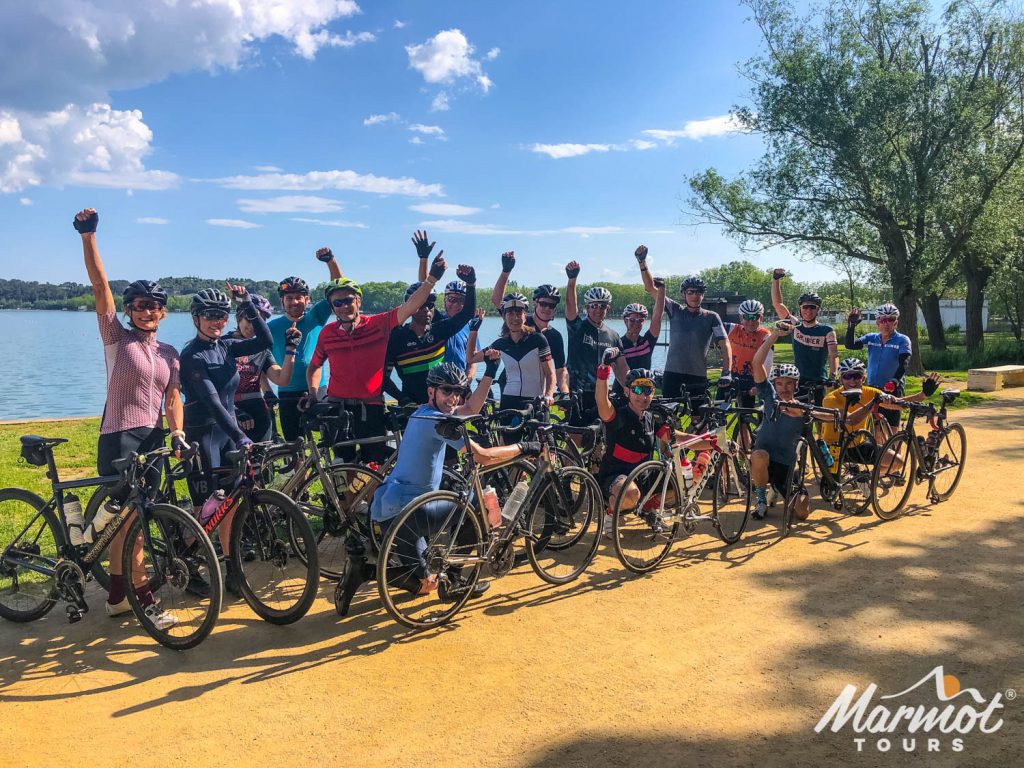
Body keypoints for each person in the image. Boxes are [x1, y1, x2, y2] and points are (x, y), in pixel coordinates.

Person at [75, 208, 183, 629]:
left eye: (154, 306)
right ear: (129, 309)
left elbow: (173, 396)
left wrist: (177, 432)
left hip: (153, 438)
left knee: (138, 521)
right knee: (127, 520)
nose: (146, 311)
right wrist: (89, 236)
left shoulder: (169, 353)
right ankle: (142, 599)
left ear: (162, 312)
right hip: (119, 436)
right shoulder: (116, 338)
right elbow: (100, 285)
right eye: (139, 305)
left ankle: (119, 597)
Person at [371, 363, 542, 598]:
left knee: (428, 583)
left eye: (458, 392)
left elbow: (471, 407)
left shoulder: (421, 412)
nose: (454, 398)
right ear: (432, 391)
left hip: (389, 512)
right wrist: (522, 447)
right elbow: (483, 456)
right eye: (447, 391)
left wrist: (490, 372)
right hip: (410, 513)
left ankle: (363, 570)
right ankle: (454, 582)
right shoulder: (440, 423)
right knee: (475, 503)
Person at [305, 254, 456, 461]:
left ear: (358, 301)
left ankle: (372, 494)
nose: (344, 306)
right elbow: (314, 367)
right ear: (332, 308)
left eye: (349, 300)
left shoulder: (379, 324)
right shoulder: (327, 333)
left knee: (374, 465)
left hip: (372, 407)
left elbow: (411, 306)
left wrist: (432, 279)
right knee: (342, 465)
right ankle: (347, 495)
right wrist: (313, 393)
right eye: (337, 303)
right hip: (337, 408)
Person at [180, 285, 273, 591]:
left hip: (228, 433)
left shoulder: (227, 346)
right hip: (203, 434)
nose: (216, 321)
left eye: (221, 315)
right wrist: (240, 436)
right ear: (196, 318)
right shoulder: (191, 354)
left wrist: (247, 305)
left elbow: (265, 340)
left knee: (229, 504)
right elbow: (213, 402)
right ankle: (188, 566)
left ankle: (233, 570)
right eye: (209, 315)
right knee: (204, 509)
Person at [595, 353, 714, 536]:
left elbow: (682, 439)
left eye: (648, 389)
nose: (642, 396)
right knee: (630, 494)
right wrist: (604, 371)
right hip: (616, 474)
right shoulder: (617, 415)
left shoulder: (653, 419)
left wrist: (712, 443)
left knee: (682, 485)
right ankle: (611, 514)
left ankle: (649, 508)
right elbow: (602, 401)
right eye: (637, 390)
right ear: (627, 392)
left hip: (645, 476)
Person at [635, 246, 731, 401]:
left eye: (698, 292)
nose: (694, 296)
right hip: (673, 374)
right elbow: (650, 288)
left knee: (699, 420)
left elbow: (724, 344)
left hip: (697, 376)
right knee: (667, 419)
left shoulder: (711, 317)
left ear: (703, 295)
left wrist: (727, 371)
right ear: (683, 295)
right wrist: (642, 262)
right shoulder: (675, 310)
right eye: (690, 292)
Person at [820, 358, 938, 483]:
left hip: (857, 446)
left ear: (863, 378)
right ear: (841, 379)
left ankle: (866, 477)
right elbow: (850, 420)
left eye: (857, 375)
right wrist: (873, 402)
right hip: (833, 448)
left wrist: (922, 395)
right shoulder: (830, 399)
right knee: (831, 489)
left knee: (897, 462)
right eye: (847, 376)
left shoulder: (870, 392)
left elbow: (897, 403)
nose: (852, 380)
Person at [268, 247, 344, 440]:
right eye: (289, 298)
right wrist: (266, 391)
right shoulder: (271, 327)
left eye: (299, 297)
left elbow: (339, 289)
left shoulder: (316, 317)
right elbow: (260, 363)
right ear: (282, 301)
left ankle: (334, 471)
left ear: (307, 299)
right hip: (287, 392)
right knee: (296, 447)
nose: (294, 302)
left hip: (319, 390)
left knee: (331, 443)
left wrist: (331, 261)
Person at [748, 326, 816, 521]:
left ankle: (777, 489)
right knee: (758, 455)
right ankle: (761, 499)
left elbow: (820, 415)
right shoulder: (769, 397)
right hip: (765, 458)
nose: (784, 388)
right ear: (774, 385)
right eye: (779, 383)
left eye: (789, 384)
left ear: (796, 385)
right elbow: (757, 362)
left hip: (786, 467)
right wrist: (775, 336)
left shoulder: (803, 407)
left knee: (802, 513)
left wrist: (801, 413)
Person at [384, 264, 477, 405]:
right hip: (412, 408)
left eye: (431, 305)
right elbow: (382, 377)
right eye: (421, 305)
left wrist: (471, 284)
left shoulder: (439, 331)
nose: (427, 309)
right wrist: (402, 398)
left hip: (441, 406)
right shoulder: (397, 337)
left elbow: (467, 313)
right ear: (410, 306)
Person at [489, 250, 569, 393]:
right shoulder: (520, 322)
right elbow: (497, 301)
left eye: (551, 305)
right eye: (543, 304)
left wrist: (564, 392)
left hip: (536, 391)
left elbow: (560, 370)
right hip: (510, 386)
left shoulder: (555, 336)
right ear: (534, 304)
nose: (546, 308)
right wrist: (506, 271)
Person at [228, 293, 301, 443]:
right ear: (238, 317)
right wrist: (234, 411)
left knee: (262, 463)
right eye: (249, 318)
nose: (252, 326)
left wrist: (291, 349)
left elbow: (282, 379)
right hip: (230, 413)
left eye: (259, 321)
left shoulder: (262, 350)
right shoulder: (222, 345)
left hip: (258, 413)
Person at [564, 260, 629, 424]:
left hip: (601, 393)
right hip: (577, 393)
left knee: (598, 439)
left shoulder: (613, 336)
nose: (598, 310)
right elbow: (571, 306)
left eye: (602, 306)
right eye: (594, 306)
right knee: (576, 438)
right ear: (587, 307)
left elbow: (621, 368)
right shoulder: (577, 327)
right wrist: (572, 280)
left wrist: (631, 388)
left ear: (608, 309)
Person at [469, 292, 555, 410]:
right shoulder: (501, 344)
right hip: (508, 401)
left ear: (525, 315)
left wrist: (549, 395)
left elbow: (550, 374)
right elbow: (471, 358)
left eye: (519, 313)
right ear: (504, 316)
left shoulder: (538, 340)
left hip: (534, 402)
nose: (515, 318)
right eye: (510, 313)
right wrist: (474, 330)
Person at [415, 230, 481, 378]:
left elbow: (473, 359)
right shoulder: (436, 320)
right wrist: (424, 260)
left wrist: (468, 379)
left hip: (460, 384)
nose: (457, 305)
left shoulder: (470, 326)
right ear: (444, 300)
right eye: (452, 299)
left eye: (462, 300)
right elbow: (423, 291)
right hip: (436, 384)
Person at [770, 269, 837, 405]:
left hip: (819, 380)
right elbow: (778, 304)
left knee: (820, 417)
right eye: (805, 307)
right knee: (797, 415)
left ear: (818, 310)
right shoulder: (796, 326)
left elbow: (833, 355)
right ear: (800, 309)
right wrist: (776, 280)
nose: (808, 311)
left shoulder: (827, 331)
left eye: (812, 307)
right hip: (798, 380)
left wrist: (833, 376)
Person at [844, 303, 912, 430]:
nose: (887, 323)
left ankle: (893, 447)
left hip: (892, 388)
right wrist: (852, 326)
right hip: (872, 388)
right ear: (878, 322)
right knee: (873, 429)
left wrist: (894, 380)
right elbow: (850, 345)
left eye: (891, 320)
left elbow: (904, 363)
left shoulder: (903, 340)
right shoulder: (872, 338)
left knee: (891, 430)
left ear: (896, 322)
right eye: (883, 320)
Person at [614, 280, 665, 395]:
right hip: (623, 391)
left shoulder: (647, 342)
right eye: (632, 320)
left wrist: (661, 289)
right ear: (625, 320)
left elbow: (657, 317)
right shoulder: (618, 343)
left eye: (640, 320)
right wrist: (630, 391)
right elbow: (617, 371)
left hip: (644, 391)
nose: (636, 323)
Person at [724, 299, 773, 407]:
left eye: (755, 317)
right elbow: (712, 325)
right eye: (747, 317)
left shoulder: (765, 335)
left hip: (751, 380)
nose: (751, 322)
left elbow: (768, 361)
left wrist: (762, 383)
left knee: (745, 417)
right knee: (718, 411)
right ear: (741, 317)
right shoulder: (731, 328)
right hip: (731, 377)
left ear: (761, 318)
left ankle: (745, 423)